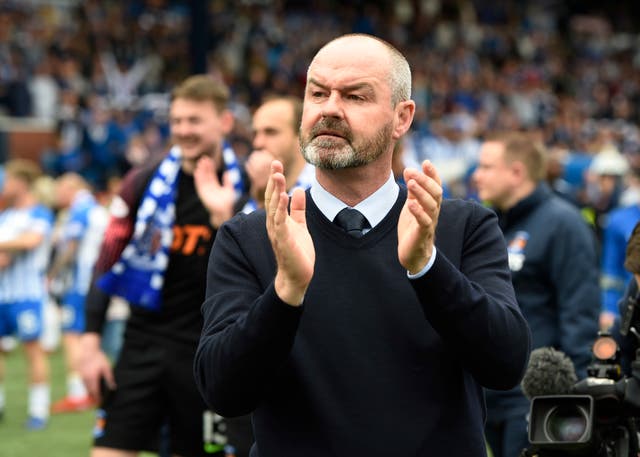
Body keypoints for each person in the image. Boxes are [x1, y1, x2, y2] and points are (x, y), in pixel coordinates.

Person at [194, 33, 531, 457]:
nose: (330, 108)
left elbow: (505, 364)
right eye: (317, 93)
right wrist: (285, 294)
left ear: (401, 117)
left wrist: (428, 268)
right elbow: (222, 392)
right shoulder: (250, 238)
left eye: (355, 96)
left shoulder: (462, 226)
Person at [80, 74, 248, 457]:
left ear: (223, 122)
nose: (183, 131)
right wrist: (90, 340)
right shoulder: (141, 183)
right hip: (143, 345)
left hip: (207, 354)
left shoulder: (247, 188)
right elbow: (107, 260)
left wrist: (225, 215)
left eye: (194, 121)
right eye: (177, 121)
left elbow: (258, 271)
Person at [472, 132, 600, 457]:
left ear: (516, 173)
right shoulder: (490, 224)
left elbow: (580, 316)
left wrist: (570, 400)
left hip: (534, 398)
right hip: (490, 394)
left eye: (486, 167)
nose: (477, 175)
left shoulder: (564, 224)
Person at [0, 159, 55, 430]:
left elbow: (30, 241)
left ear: (21, 183)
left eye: (7, 180)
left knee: (33, 351)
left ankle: (38, 410)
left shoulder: (39, 213)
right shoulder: (5, 217)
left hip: (27, 295)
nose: (3, 186)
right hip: (2, 293)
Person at [48, 173, 108, 413]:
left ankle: (80, 392)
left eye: (59, 189)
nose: (56, 195)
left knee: (73, 335)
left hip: (83, 281)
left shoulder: (81, 209)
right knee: (91, 335)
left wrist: (52, 275)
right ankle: (93, 388)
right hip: (98, 279)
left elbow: (71, 248)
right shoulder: (95, 207)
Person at [239, 95, 315, 213]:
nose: (257, 143)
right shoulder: (254, 189)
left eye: (270, 132)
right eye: (255, 134)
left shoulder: (321, 193)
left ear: (302, 135)